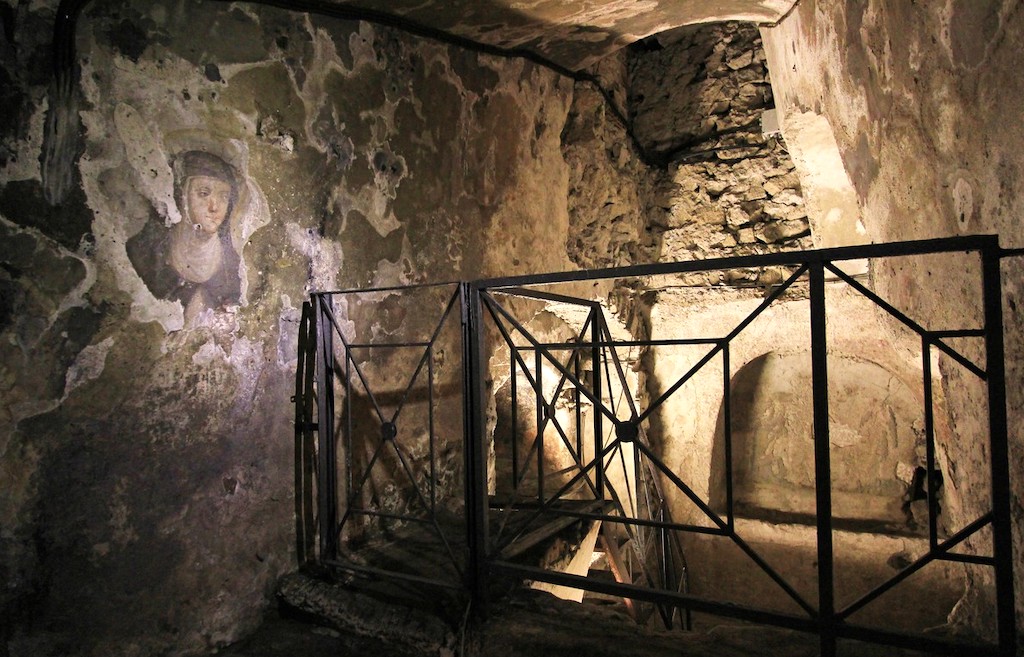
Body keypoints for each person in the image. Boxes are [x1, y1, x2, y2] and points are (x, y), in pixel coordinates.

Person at [128, 150, 241, 324]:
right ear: (183, 196)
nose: (214, 207)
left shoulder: (236, 266)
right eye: (204, 193)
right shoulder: (143, 252)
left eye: (224, 196)